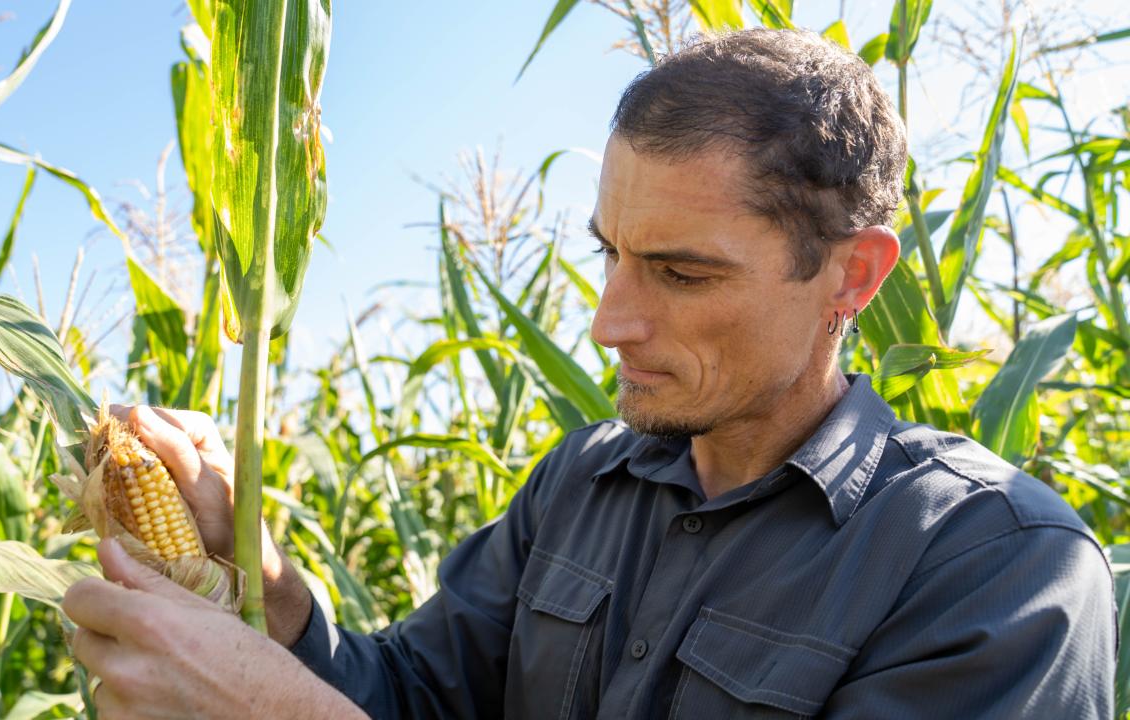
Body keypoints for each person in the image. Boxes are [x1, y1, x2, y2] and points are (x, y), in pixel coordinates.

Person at [62, 28, 1116, 719]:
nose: (609, 320)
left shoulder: (997, 573)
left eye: (680, 273)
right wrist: (276, 599)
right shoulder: (578, 487)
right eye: (607, 252)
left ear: (850, 275)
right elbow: (419, 697)